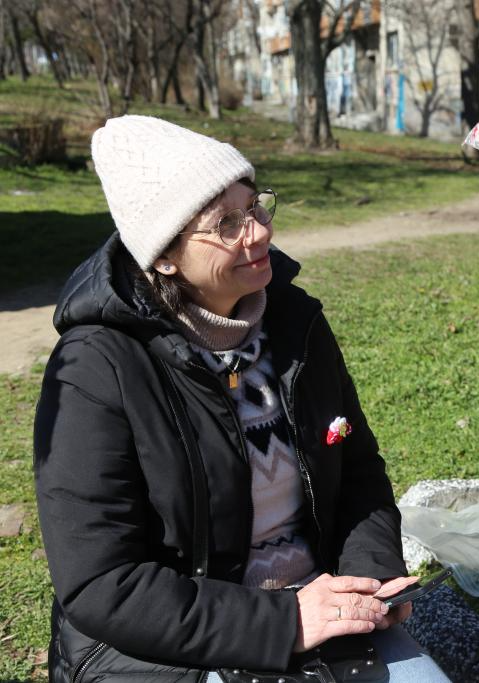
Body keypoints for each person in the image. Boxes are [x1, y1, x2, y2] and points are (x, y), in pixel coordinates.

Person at [33, 115, 450, 682]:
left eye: (254, 207)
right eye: (225, 224)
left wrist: (371, 576)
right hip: (172, 644)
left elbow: (357, 471)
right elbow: (102, 583)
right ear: (162, 256)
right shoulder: (97, 367)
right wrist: (284, 621)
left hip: (316, 608)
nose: (256, 233)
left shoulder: (295, 323)